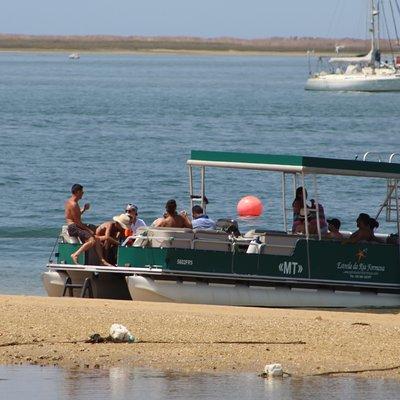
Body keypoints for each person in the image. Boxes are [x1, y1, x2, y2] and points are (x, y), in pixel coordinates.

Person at [64, 184, 110, 266]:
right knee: (92, 240)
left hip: (74, 226)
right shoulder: (74, 204)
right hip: (73, 227)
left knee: (97, 239)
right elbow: (78, 222)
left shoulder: (70, 202)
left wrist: (84, 209)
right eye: (82, 191)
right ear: (78, 192)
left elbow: (75, 216)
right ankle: (75, 255)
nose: (83, 193)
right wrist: (89, 231)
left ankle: (102, 261)